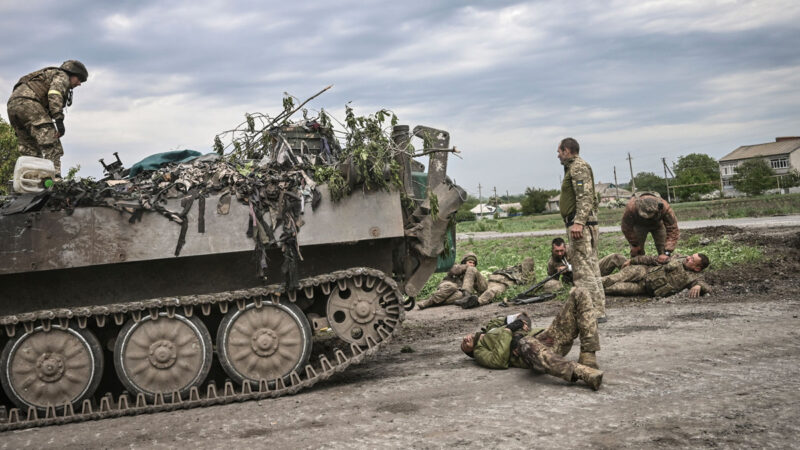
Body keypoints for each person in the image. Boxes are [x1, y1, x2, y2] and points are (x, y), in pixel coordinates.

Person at [460, 287, 603, 390]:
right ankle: (583, 372)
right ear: (471, 352)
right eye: (464, 347)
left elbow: (522, 317)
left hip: (549, 337)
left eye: (463, 340)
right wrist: (510, 331)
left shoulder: (491, 326)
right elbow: (498, 361)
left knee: (580, 292)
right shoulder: (480, 351)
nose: (465, 341)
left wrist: (518, 327)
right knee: (525, 342)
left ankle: (588, 355)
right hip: (531, 352)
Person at [6, 60, 89, 175]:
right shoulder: (62, 76)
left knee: (30, 150)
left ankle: (31, 183)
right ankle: (55, 181)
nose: (79, 83)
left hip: (13, 107)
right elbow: (54, 94)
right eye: (79, 79)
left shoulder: (46, 75)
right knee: (52, 144)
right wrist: (59, 120)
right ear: (71, 73)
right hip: (29, 104)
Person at [557, 137, 607, 322]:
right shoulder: (573, 167)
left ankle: (592, 311)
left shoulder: (578, 167)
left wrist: (578, 222)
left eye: (559, 151)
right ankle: (598, 310)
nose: (558, 155)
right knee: (591, 267)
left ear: (567, 151)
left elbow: (585, 196)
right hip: (585, 224)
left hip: (581, 226)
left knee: (583, 270)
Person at [602, 253, 711, 298]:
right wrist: (633, 260)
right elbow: (653, 259)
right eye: (690, 256)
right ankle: (588, 281)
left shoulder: (695, 278)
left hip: (643, 288)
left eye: (692, 260)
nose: (688, 258)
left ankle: (589, 287)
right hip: (643, 271)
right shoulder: (677, 258)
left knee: (613, 289)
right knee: (612, 279)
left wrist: (699, 286)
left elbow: (708, 288)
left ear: (697, 268)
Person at [454, 257, 535, 309]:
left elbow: (528, 285)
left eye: (527, 264)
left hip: (502, 284)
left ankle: (476, 302)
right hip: (489, 282)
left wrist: (527, 276)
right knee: (471, 269)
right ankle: (466, 295)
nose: (524, 265)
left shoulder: (527, 276)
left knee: (491, 291)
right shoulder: (510, 268)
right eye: (524, 263)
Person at [621, 192, 679, 263]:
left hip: (658, 225)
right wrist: (634, 244)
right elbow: (627, 228)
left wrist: (667, 252)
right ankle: (637, 268)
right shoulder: (631, 207)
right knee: (637, 253)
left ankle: (664, 265)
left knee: (663, 249)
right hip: (639, 225)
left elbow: (673, 228)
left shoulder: (665, 207)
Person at [417, 252, 487, 309]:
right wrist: (466, 267)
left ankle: (430, 302)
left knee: (460, 295)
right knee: (452, 286)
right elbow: (453, 270)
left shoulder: (472, 272)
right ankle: (428, 302)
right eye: (470, 262)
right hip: (448, 285)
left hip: (459, 292)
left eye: (474, 263)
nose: (472, 264)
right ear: (464, 262)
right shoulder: (457, 266)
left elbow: (481, 285)